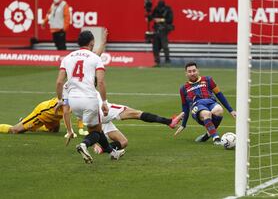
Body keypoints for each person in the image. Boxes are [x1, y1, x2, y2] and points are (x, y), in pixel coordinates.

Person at [62, 78, 184, 155]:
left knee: (123, 142)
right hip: (102, 109)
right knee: (136, 113)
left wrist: (69, 131)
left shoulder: (67, 85)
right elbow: (96, 66)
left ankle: (101, 148)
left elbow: (66, 111)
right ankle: (169, 122)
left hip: (90, 116)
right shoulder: (86, 73)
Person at [55, 30, 121, 164]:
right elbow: (101, 82)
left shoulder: (67, 58)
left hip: (73, 101)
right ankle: (84, 144)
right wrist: (104, 102)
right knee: (95, 132)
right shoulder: (95, 58)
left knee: (97, 129)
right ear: (91, 42)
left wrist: (60, 100)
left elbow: (59, 82)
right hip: (89, 99)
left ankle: (113, 152)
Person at [174, 62, 236, 145]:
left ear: (198, 71)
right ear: (186, 73)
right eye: (189, 71)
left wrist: (231, 110)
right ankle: (216, 139)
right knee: (206, 113)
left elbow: (219, 94)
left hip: (211, 102)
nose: (192, 73)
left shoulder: (208, 80)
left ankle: (208, 133)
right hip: (196, 106)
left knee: (219, 110)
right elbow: (185, 107)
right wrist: (183, 124)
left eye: (194, 71)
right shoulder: (183, 89)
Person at [0, 97, 85, 137]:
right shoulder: (69, 97)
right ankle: (29, 125)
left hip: (54, 117)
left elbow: (79, 114)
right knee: (15, 130)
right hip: (43, 113)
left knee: (54, 130)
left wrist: (81, 129)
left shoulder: (79, 97)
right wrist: (70, 131)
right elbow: (66, 113)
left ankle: (33, 127)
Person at [148, 0, 174, 66]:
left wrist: (161, 19)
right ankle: (157, 61)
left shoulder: (168, 10)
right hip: (156, 29)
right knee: (155, 47)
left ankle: (167, 61)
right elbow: (151, 17)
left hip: (164, 29)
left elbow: (170, 19)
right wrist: (149, 15)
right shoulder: (156, 9)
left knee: (164, 45)